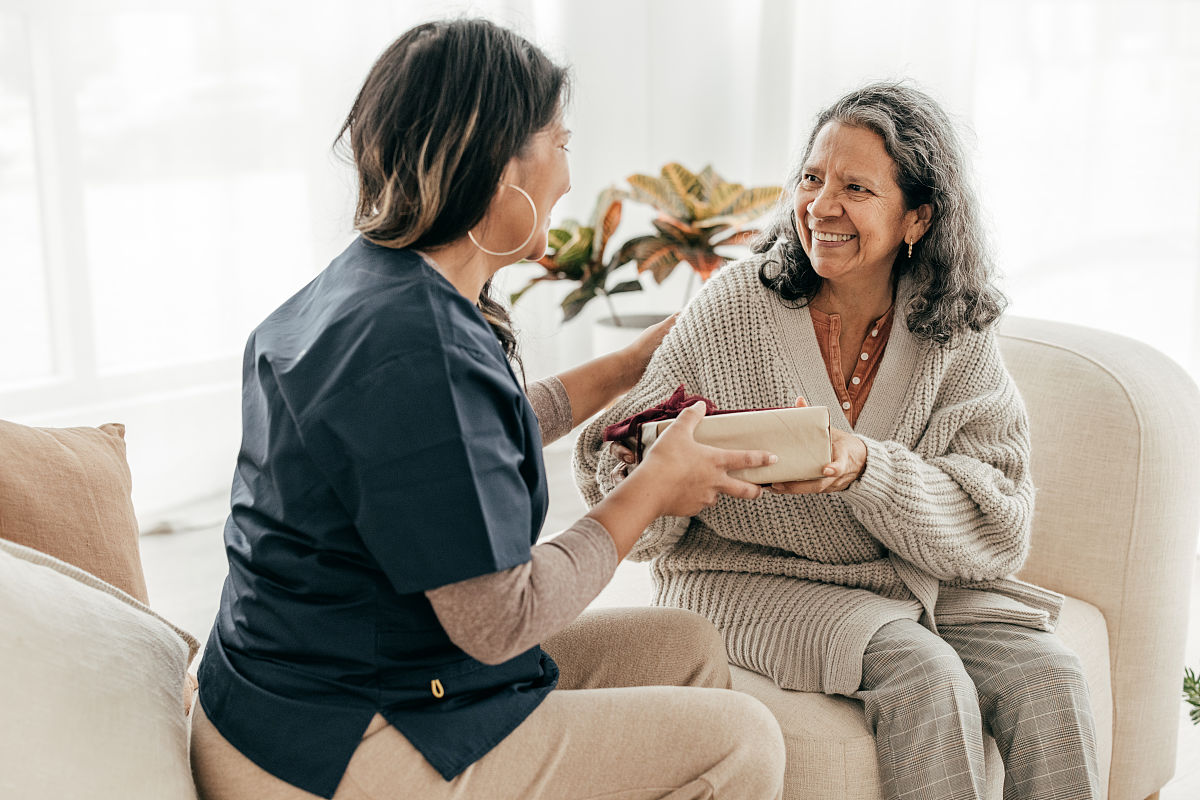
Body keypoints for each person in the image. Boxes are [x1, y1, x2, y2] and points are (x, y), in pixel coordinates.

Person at [189, 18, 786, 800]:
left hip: (302, 691)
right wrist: (654, 491)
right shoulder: (416, 350)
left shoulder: (381, 285)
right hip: (339, 738)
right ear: (497, 165)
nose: (569, 177)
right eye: (560, 143)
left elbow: (456, 448)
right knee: (743, 742)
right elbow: (503, 619)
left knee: (686, 645)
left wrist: (635, 363)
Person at [576, 82, 1101, 800]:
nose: (821, 207)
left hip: (909, 575)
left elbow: (1000, 518)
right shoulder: (734, 304)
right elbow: (631, 473)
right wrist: (643, 458)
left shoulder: (956, 330)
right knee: (926, 674)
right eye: (812, 179)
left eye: (856, 187)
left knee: (1051, 680)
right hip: (750, 575)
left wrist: (867, 469)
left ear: (917, 217)